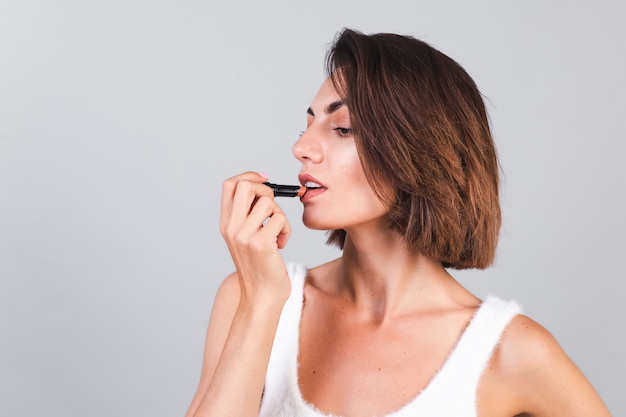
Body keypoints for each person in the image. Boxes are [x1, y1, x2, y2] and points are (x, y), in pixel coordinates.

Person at [185, 28, 611, 417]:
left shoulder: (511, 352)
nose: (301, 147)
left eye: (343, 128)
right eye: (308, 123)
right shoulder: (249, 298)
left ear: (418, 151)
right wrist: (260, 302)